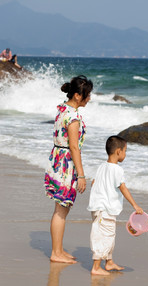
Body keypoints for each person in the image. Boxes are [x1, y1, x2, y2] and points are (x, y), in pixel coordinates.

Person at [45, 75, 93, 264]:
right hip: (65, 163)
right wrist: (81, 175)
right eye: (87, 95)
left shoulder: (63, 109)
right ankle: (56, 253)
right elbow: (74, 147)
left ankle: (58, 249)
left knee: (61, 208)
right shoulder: (72, 117)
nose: (89, 98)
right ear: (77, 96)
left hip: (58, 159)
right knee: (61, 209)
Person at [87, 135, 143, 276]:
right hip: (104, 209)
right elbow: (123, 188)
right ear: (118, 151)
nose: (125, 154)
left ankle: (109, 262)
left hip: (99, 207)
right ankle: (95, 267)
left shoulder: (101, 167)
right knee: (102, 236)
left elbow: (93, 183)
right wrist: (135, 206)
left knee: (109, 235)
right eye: (125, 151)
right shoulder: (117, 170)